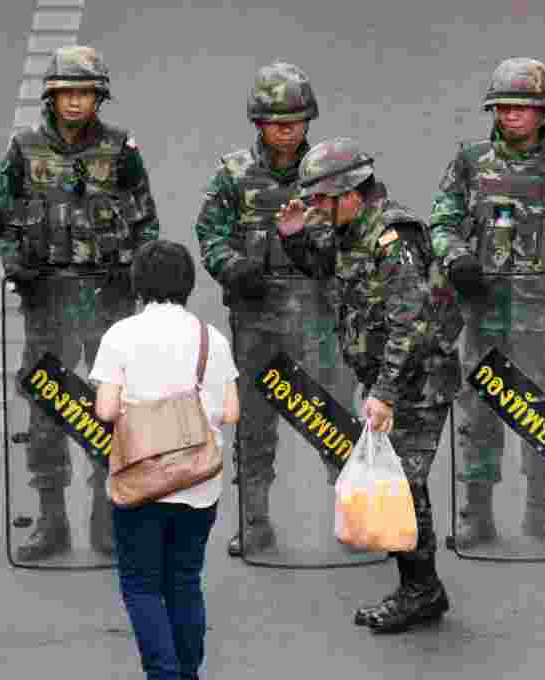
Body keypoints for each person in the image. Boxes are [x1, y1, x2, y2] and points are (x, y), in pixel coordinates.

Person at [276, 137, 463, 633]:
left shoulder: (392, 238)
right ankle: (421, 586)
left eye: (320, 199)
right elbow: (325, 270)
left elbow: (413, 324)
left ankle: (422, 591)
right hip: (393, 378)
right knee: (403, 484)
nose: (315, 208)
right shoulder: (350, 230)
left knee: (404, 485)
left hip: (418, 382)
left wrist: (384, 392)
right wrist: (295, 236)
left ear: (351, 192)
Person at [429, 57, 545, 549]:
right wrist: (457, 258)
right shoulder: (469, 162)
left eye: (521, 107)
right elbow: (441, 221)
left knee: (544, 409)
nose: (510, 114)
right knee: (479, 412)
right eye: (502, 106)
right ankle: (477, 515)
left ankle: (539, 511)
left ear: (542, 111)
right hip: (483, 311)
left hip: (543, 314)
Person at [0, 45, 160, 561]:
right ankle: (50, 521)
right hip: (47, 300)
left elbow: (146, 220)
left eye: (85, 92)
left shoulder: (121, 148)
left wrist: (135, 270)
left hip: (108, 300)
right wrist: (15, 264)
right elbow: (0, 217)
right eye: (67, 92)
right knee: (47, 407)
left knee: (111, 410)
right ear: (52, 95)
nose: (75, 102)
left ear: (98, 97)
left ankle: (107, 515)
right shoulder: (23, 149)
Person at [195, 61, 350, 558]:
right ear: (258, 122)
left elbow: (353, 231)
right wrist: (233, 267)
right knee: (255, 423)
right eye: (275, 119)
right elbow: (210, 233)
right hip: (257, 318)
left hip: (320, 315)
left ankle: (355, 517)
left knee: (334, 418)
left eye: (296, 118)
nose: (286, 127)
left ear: (310, 120)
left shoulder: (331, 171)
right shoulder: (235, 174)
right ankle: (255, 522)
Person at [91, 239, 239, 680]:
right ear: (188, 285)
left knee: (141, 586)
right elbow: (230, 412)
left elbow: (104, 410)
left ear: (137, 285)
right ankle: (188, 673)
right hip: (198, 484)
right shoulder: (210, 338)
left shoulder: (120, 335)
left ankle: (163, 675)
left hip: (140, 482)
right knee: (184, 581)